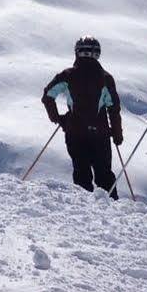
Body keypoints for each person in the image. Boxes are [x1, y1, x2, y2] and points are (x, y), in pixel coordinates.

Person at [42, 37, 124, 196]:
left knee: (81, 174)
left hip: (75, 132)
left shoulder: (67, 75)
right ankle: (113, 211)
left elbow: (48, 96)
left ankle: (85, 209)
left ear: (77, 53)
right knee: (104, 175)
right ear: (98, 54)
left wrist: (58, 118)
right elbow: (113, 108)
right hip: (100, 135)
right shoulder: (106, 78)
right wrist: (117, 133)